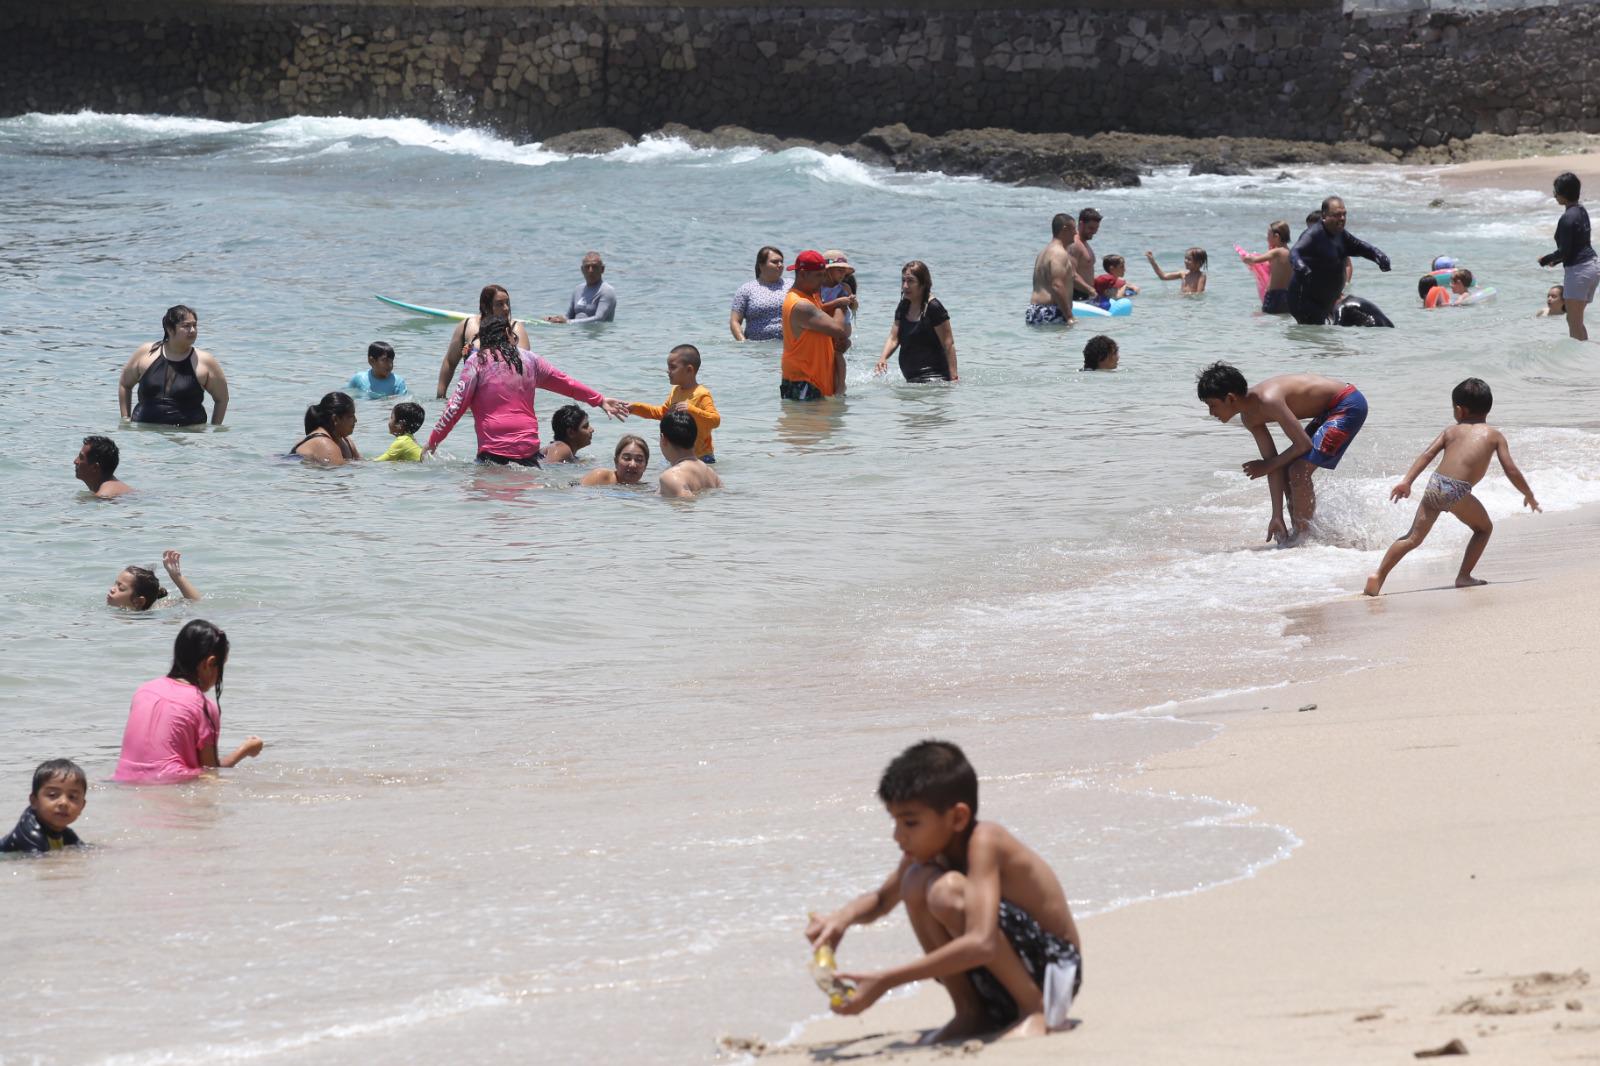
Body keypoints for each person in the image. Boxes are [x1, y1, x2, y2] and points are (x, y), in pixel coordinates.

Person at [805, 740, 1082, 1042]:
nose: (898, 836)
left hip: (1055, 974)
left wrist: (886, 981)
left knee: (945, 892)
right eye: (895, 822)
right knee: (914, 880)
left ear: (958, 818)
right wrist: (840, 919)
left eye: (910, 822)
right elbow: (882, 901)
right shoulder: (926, 853)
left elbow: (982, 943)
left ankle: (1033, 1010)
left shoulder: (985, 841)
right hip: (1000, 977)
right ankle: (970, 1012)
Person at [1364, 378, 1540, 596]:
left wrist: (1407, 481)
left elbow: (1427, 455)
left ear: (1459, 410)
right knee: (1483, 529)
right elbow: (1511, 470)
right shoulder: (1494, 436)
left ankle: (1378, 576)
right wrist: (1528, 494)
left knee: (1412, 538)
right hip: (1457, 490)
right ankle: (1464, 577)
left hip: (1436, 483)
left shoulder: (1450, 432)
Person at [1196, 362, 1369, 544]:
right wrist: (1276, 515)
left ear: (1230, 398)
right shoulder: (1250, 418)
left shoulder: (1268, 400)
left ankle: (1305, 537)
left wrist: (1266, 466)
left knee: (1298, 471)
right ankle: (1298, 532)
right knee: (1287, 469)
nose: (1211, 412)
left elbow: (1303, 445)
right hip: (1328, 410)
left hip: (1348, 404)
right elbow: (1273, 464)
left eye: (1212, 405)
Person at [427, 316, 626, 466]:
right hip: (529, 455)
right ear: (508, 334)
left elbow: (455, 407)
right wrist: (599, 399)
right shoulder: (530, 360)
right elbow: (567, 383)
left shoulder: (476, 361)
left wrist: (433, 442)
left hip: (493, 456)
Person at [112, 619, 264, 783]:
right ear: (210, 663)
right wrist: (245, 750)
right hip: (168, 787)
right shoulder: (202, 706)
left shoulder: (144, 691)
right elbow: (211, 772)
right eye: (222, 666)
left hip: (123, 782)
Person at [117, 305, 229, 426]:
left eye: (194, 325)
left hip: (187, 436)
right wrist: (125, 419)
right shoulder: (146, 353)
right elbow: (125, 384)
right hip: (145, 436)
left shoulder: (205, 361)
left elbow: (222, 399)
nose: (193, 330)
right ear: (170, 329)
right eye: (186, 326)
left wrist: (215, 430)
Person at [1288, 197, 1391, 325]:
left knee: (1326, 339)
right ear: (1324, 216)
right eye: (1337, 215)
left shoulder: (1340, 234)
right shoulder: (1313, 235)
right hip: (1305, 301)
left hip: (1326, 301)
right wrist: (1301, 266)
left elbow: (1360, 247)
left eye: (1344, 214)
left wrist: (1378, 255)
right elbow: (1295, 252)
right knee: (1316, 338)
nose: (1342, 218)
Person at [628, 344, 721, 462]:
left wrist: (692, 410)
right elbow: (662, 413)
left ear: (689, 370)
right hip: (676, 455)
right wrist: (635, 408)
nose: (668, 371)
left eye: (672, 367)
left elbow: (715, 420)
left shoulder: (702, 394)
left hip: (701, 457)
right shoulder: (675, 391)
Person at [780, 250, 853, 400]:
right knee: (805, 424)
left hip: (813, 382)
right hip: (804, 382)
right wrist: (841, 302)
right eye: (818, 275)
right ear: (802, 274)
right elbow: (838, 329)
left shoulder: (812, 296)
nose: (823, 280)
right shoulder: (800, 304)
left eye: (824, 274)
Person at [436, 284, 530, 398]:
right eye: (500, 304)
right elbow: (450, 362)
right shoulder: (467, 326)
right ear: (485, 306)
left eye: (507, 303)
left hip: (504, 399)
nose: (506, 308)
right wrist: (441, 397)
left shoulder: (515, 328)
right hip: (471, 400)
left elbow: (525, 367)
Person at [1538, 171, 1598, 341]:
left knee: (1573, 321)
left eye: (1556, 191)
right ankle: (1587, 356)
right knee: (1575, 319)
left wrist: (1546, 260)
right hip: (1593, 266)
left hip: (1580, 270)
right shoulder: (1581, 211)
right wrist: (1556, 261)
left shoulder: (1567, 218)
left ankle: (1579, 365)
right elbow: (1576, 245)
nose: (1555, 195)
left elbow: (1565, 251)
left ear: (1563, 194)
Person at [875, 259, 957, 383]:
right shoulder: (903, 306)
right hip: (912, 381)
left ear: (923, 284)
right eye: (903, 280)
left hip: (935, 380)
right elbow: (894, 337)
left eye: (911, 281)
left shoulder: (934, 307)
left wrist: (954, 378)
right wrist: (883, 358)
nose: (905, 286)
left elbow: (948, 344)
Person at [1, 760, 87, 853]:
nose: (63, 802)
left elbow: (81, 848)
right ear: (34, 801)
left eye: (72, 797)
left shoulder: (64, 832)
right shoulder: (30, 832)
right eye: (53, 795)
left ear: (82, 806)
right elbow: (41, 863)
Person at [657, 409, 723, 499]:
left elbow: (686, 508)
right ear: (695, 437)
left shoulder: (671, 477)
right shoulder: (712, 474)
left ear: (663, 439)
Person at [730, 246, 790, 341]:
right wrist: (743, 343)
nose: (780, 265)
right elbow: (735, 321)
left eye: (781, 261)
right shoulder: (747, 289)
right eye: (775, 262)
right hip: (757, 349)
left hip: (788, 346)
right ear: (761, 265)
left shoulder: (791, 285)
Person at [107, 550, 201, 611]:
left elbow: (195, 601)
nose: (112, 589)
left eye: (121, 588)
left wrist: (177, 576)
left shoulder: (156, 612)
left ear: (139, 602)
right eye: (115, 584)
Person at [1026, 214, 1077, 325]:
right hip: (1051, 311)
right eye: (1074, 228)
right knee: (1059, 343)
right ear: (1065, 229)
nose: (1076, 233)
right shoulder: (1059, 253)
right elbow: (1057, 285)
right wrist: (1069, 317)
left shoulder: (1043, 252)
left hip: (1034, 310)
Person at [545, 251, 617, 324]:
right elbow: (569, 316)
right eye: (587, 267)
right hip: (577, 334)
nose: (590, 270)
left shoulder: (607, 291)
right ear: (582, 270)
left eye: (594, 267)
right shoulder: (578, 289)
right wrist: (554, 319)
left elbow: (599, 319)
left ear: (602, 269)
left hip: (599, 335)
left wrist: (568, 322)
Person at [290, 392, 360, 465]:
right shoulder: (325, 444)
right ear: (335, 419)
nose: (355, 420)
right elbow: (339, 472)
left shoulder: (346, 441)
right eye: (351, 416)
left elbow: (359, 464)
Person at [1241, 221, 1293, 314]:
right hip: (1288, 296)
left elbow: (1256, 259)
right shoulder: (1291, 253)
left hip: (1274, 296)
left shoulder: (1276, 252)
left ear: (1276, 237)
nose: (1266, 238)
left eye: (1268, 235)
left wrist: (1245, 257)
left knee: (1266, 319)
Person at [820, 250, 859, 357]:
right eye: (839, 270)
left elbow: (854, 308)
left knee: (838, 359)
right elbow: (818, 309)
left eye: (844, 271)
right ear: (827, 271)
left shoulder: (845, 287)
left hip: (843, 333)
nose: (843, 274)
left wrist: (853, 301)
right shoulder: (818, 289)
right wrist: (837, 302)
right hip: (827, 332)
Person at [580, 434, 651, 486]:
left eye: (639, 460)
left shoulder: (643, 488)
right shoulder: (601, 476)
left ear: (645, 466)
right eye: (627, 458)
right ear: (616, 462)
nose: (632, 464)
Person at [1069, 208, 1101, 301]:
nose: (1094, 232)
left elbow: (1086, 271)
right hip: (1076, 295)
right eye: (1091, 228)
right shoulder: (1074, 244)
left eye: (1096, 228)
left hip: (1086, 294)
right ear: (1081, 224)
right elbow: (1071, 273)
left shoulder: (1085, 244)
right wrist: (1091, 290)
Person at [1144, 247, 1208, 293]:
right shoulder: (1182, 274)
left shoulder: (1201, 276)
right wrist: (1152, 261)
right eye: (1185, 258)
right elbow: (1163, 276)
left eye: (1189, 259)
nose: (1185, 261)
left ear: (1198, 263)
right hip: (1182, 302)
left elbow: (1199, 294)